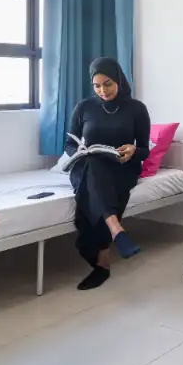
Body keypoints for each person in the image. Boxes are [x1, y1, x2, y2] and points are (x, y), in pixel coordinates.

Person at [66, 57, 150, 290]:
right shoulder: (84, 107)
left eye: (108, 84)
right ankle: (115, 230)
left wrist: (133, 151)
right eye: (97, 86)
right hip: (87, 165)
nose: (103, 90)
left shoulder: (136, 109)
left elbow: (144, 149)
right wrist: (78, 151)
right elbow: (69, 144)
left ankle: (103, 264)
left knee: (102, 186)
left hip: (121, 166)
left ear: (119, 80)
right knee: (93, 167)